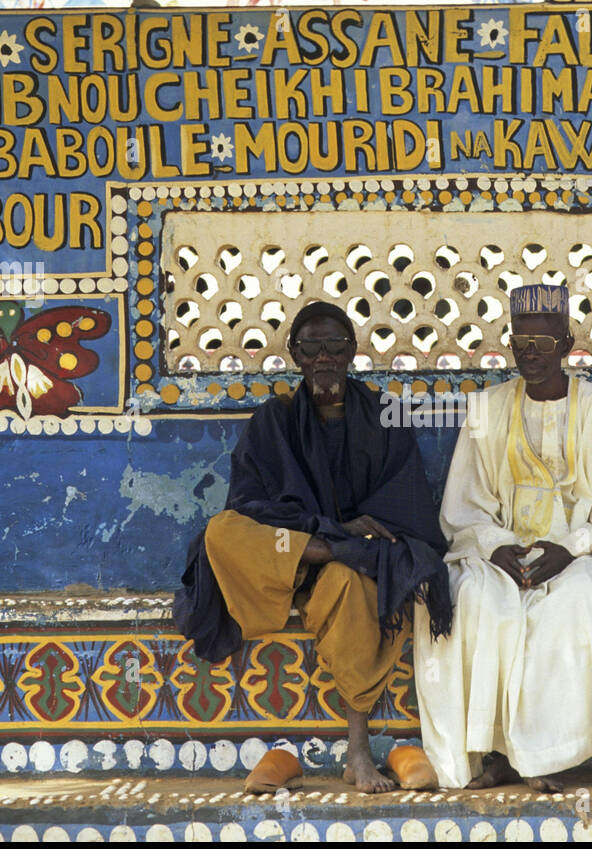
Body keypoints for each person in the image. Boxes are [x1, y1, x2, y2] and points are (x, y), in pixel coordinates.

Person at [414, 283, 592, 791]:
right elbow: (464, 508)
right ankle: (501, 753)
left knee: (574, 603)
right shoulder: (486, 410)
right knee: (479, 600)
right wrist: (496, 547)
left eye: (544, 343)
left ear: (568, 343)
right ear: (509, 345)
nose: (531, 353)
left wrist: (569, 549)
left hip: (582, 553)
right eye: (521, 342)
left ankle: (545, 755)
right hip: (500, 553)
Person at [173, 301, 452, 793]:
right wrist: (324, 534)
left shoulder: (384, 418)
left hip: (355, 560)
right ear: (295, 356)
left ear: (353, 353)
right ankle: (325, 549)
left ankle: (359, 751)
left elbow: (404, 511)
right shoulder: (273, 422)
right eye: (311, 347)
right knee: (221, 531)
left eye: (334, 346)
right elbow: (249, 508)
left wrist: (344, 541)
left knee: (348, 581)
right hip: (289, 557)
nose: (324, 356)